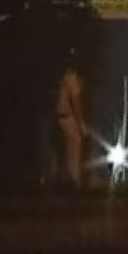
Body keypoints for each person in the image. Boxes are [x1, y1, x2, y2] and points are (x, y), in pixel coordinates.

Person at [55, 51, 86, 192]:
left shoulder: (62, 78)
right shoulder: (71, 78)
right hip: (68, 118)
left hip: (60, 117)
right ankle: (73, 181)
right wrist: (81, 123)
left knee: (67, 151)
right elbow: (75, 101)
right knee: (74, 150)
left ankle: (67, 180)